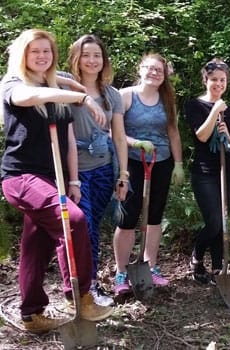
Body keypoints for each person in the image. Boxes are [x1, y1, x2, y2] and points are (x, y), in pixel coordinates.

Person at [0, 29, 114, 333]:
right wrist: (82, 98)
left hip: (53, 178)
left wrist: (74, 182)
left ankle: (32, 313)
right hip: (21, 177)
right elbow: (29, 96)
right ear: (23, 54)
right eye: (35, 51)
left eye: (47, 51)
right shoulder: (13, 85)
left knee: (36, 246)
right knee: (73, 220)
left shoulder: (54, 88)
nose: (42, 56)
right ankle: (79, 295)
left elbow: (68, 140)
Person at [62, 34, 129, 306]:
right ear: (76, 57)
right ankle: (84, 287)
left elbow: (120, 137)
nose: (92, 61)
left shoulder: (111, 94)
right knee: (83, 226)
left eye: (97, 56)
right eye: (86, 55)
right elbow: (43, 75)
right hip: (73, 171)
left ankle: (90, 285)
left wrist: (123, 175)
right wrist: (81, 94)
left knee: (94, 229)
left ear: (104, 60)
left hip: (103, 168)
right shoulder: (65, 86)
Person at [112, 53, 184, 295]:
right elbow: (115, 132)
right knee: (128, 218)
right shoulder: (125, 96)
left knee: (154, 217)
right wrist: (136, 143)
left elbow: (173, 132)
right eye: (150, 68)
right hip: (131, 162)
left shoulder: (167, 100)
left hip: (160, 162)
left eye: (159, 70)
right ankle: (121, 272)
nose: (154, 73)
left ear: (165, 76)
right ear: (140, 69)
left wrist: (179, 163)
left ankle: (150, 266)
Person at [184, 59, 230, 284]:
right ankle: (197, 257)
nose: (219, 84)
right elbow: (201, 135)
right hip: (204, 172)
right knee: (214, 220)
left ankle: (219, 267)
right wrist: (215, 110)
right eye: (214, 79)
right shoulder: (194, 106)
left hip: (228, 170)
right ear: (205, 80)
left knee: (223, 220)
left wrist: (227, 134)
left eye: (222, 80)